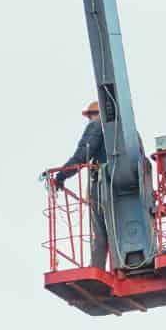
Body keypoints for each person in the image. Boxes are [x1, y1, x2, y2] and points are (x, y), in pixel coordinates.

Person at [52, 100, 109, 269]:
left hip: (103, 184)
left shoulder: (96, 126)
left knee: (100, 230)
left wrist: (61, 176)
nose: (89, 120)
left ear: (97, 115)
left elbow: (82, 154)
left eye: (91, 116)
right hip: (129, 188)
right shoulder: (130, 133)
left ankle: (97, 266)